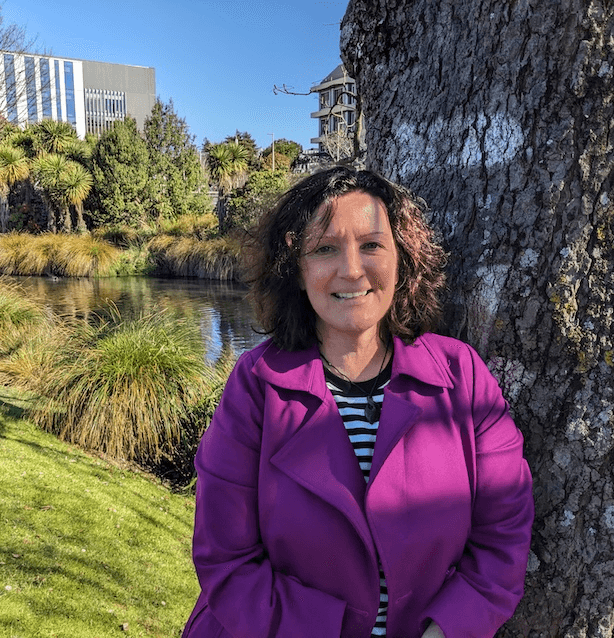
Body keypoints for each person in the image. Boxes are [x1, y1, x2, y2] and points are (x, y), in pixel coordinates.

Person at [182, 167, 534, 638]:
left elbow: (503, 536)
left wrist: (448, 630)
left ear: (401, 258)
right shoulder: (256, 386)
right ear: (297, 267)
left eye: (371, 245)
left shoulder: (461, 377)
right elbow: (227, 559)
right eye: (325, 248)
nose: (351, 269)